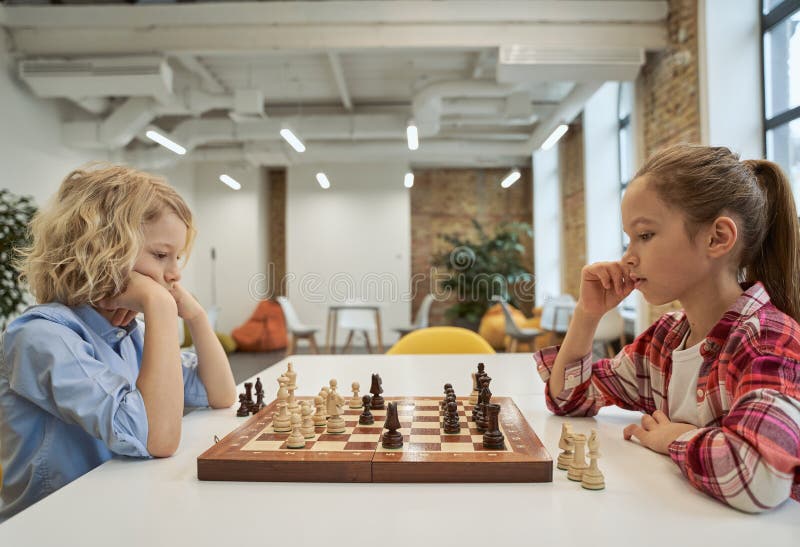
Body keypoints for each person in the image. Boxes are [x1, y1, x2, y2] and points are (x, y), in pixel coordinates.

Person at [535, 144, 800, 513]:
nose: (628, 256)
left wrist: (675, 439)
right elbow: (568, 398)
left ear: (717, 238)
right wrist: (587, 314)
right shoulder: (666, 339)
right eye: (629, 238)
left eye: (644, 236)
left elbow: (758, 475)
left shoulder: (768, 341)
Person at [0, 164, 237, 521]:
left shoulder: (126, 335)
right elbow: (158, 440)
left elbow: (219, 393)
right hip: (52, 525)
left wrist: (197, 317)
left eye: (177, 258)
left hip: (117, 509)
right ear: (103, 251)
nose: (175, 273)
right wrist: (159, 304)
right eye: (161, 255)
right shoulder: (41, 337)